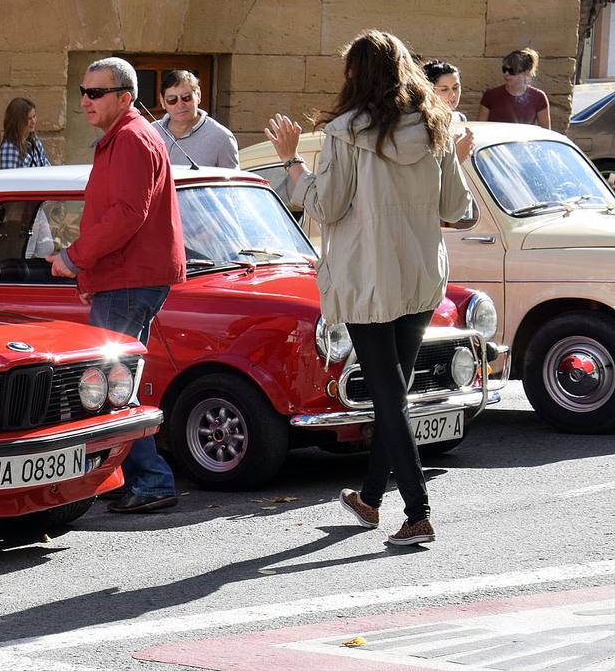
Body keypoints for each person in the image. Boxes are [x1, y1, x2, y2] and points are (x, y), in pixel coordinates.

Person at [263, 30, 470, 547]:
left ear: (355, 74)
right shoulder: (435, 124)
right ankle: (372, 498)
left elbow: (326, 206)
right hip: (420, 273)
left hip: (368, 276)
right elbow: (455, 208)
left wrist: (292, 161)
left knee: (387, 394)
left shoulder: (344, 132)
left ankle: (418, 510)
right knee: (392, 393)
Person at [46, 57, 185, 513]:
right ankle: (142, 478)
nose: (85, 100)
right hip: (124, 277)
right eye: (83, 92)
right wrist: (88, 273)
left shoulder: (129, 138)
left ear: (125, 97)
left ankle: (150, 479)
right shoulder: (123, 137)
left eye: (96, 92)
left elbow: (126, 216)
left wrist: (74, 260)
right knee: (118, 381)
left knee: (112, 382)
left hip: (130, 279)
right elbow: (115, 216)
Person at [154, 70, 239, 169]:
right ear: (162, 101)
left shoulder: (222, 138)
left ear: (198, 95)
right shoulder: (150, 132)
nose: (180, 105)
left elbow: (232, 182)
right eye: (172, 100)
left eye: (186, 97)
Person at [478, 47, 550, 128]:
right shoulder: (490, 96)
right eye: (504, 69)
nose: (506, 74)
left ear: (526, 72)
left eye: (512, 71)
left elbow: (546, 132)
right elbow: (480, 129)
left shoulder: (538, 97)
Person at [422, 59, 474, 161]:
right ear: (430, 91)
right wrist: (455, 157)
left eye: (455, 88)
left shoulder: (460, 118)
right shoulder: (422, 123)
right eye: (444, 89)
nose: (452, 95)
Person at [0, 97, 50, 169]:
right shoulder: (9, 147)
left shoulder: (34, 140)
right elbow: (8, 178)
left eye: (34, 116)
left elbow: (47, 167)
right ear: (18, 122)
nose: (34, 121)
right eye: (29, 118)